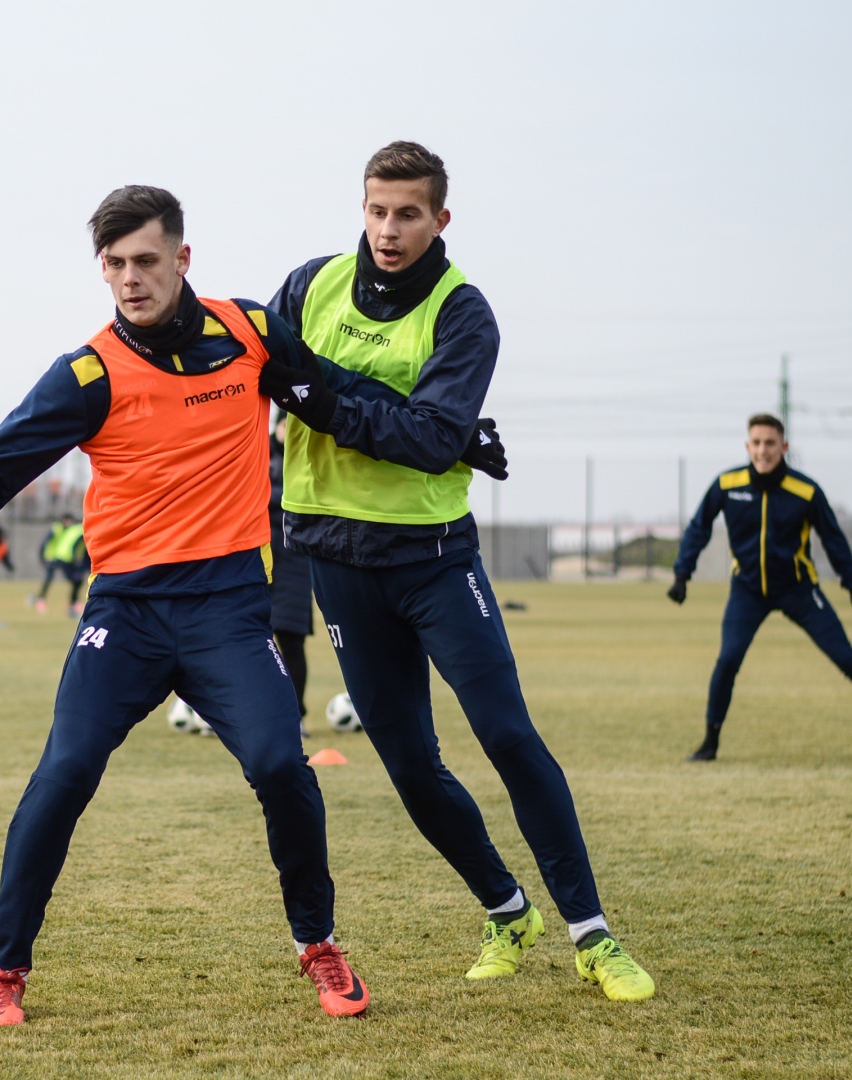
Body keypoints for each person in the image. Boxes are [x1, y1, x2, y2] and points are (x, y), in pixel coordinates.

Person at [0, 185, 375, 1027]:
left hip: (228, 611)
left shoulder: (249, 333)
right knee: (64, 773)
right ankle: (3, 968)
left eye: (145, 260)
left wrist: (444, 433)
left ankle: (317, 942)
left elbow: (340, 396)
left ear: (182, 258)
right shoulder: (89, 374)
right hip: (125, 613)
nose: (130, 278)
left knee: (283, 765)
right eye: (114, 264)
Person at [266, 141, 654, 1001]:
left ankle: (592, 934)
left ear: (441, 218)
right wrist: (378, 409)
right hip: (335, 561)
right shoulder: (309, 285)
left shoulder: (464, 313)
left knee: (508, 737)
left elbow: (428, 438)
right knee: (409, 764)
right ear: (361, 209)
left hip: (433, 561)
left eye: (408, 214)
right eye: (377, 211)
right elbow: (260, 367)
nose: (389, 230)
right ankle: (507, 910)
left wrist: (326, 400)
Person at [669, 413, 852, 764]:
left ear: (784, 446)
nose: (763, 450)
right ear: (747, 446)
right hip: (748, 591)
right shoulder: (727, 484)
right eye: (756, 443)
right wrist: (682, 574)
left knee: (848, 660)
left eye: (770, 443)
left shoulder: (805, 491)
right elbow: (698, 527)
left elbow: (834, 540)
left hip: (799, 590)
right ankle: (709, 744)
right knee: (728, 660)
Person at [268, 411, 314, 726]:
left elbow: (308, 497)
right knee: (249, 641)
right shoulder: (257, 451)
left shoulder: (308, 455)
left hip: (295, 562)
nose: (289, 429)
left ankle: (295, 716)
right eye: (285, 424)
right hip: (259, 561)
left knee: (292, 642)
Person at [32, 514, 87, 615]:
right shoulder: (57, 528)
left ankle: (73, 602)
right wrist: (43, 557)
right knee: (49, 579)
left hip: (64, 557)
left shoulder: (73, 530)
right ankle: (41, 600)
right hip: (55, 558)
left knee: (76, 580)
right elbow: (45, 542)